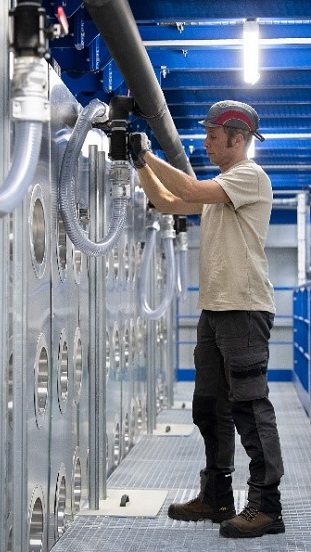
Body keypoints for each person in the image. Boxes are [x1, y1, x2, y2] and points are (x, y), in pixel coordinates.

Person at [129, 100, 285, 539]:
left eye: (212, 135)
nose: (205, 140)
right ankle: (217, 497)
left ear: (238, 140)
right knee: (210, 407)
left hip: (244, 307)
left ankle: (267, 507)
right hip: (215, 310)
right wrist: (135, 161)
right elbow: (167, 203)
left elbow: (191, 192)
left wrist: (146, 153)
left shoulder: (249, 178)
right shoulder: (221, 189)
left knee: (250, 407)